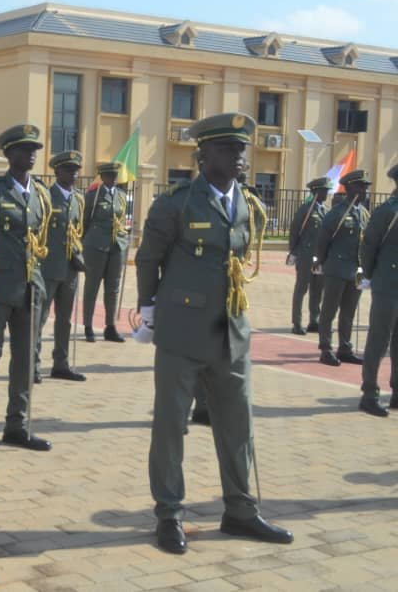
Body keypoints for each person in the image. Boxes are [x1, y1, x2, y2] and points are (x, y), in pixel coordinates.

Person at [137, 111, 292, 555]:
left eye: (243, 148)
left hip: (232, 332)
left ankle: (240, 510)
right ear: (203, 155)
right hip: (182, 331)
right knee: (171, 426)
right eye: (230, 148)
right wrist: (148, 313)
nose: (241, 156)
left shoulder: (247, 201)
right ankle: (169, 513)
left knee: (238, 425)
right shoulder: (177, 203)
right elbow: (149, 258)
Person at [0, 123, 53, 456]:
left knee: (24, 362)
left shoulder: (41, 195)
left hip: (30, 289)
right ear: (8, 154)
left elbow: (40, 241)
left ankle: (17, 425)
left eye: (34, 149)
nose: (31, 154)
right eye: (23, 149)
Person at [37, 150, 87, 382]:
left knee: (65, 320)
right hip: (48, 267)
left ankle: (61, 363)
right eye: (68, 169)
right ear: (56, 172)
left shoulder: (79, 199)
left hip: (70, 269)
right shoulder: (46, 196)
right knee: (40, 317)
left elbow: (79, 231)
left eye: (76, 170)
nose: (74, 173)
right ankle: (32, 364)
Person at [314, 170, 371, 367]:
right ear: (349, 188)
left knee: (349, 312)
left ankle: (345, 348)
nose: (364, 190)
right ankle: (326, 348)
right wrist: (321, 261)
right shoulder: (337, 213)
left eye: (365, 187)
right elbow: (323, 240)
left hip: (355, 271)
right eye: (361, 186)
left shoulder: (363, 213)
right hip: (336, 269)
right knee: (329, 311)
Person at [357, 163, 398, 416]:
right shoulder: (388, 212)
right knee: (378, 342)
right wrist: (371, 276)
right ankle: (369, 394)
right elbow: (368, 247)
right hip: (387, 284)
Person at [82, 162, 129, 343]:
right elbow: (85, 221)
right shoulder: (93, 197)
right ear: (103, 177)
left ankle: (110, 327)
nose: (113, 179)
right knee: (92, 287)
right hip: (96, 246)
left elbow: (122, 219)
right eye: (110, 176)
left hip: (116, 246)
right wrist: (85, 243)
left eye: (115, 176)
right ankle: (88, 325)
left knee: (113, 288)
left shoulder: (122, 196)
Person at [287, 177, 330, 335]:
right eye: (324, 190)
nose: (327, 193)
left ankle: (314, 320)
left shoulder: (325, 210)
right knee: (301, 289)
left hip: (319, 257)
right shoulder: (305, 209)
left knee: (317, 289)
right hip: (306, 255)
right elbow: (294, 231)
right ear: (316, 191)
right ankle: (296, 322)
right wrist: (294, 251)